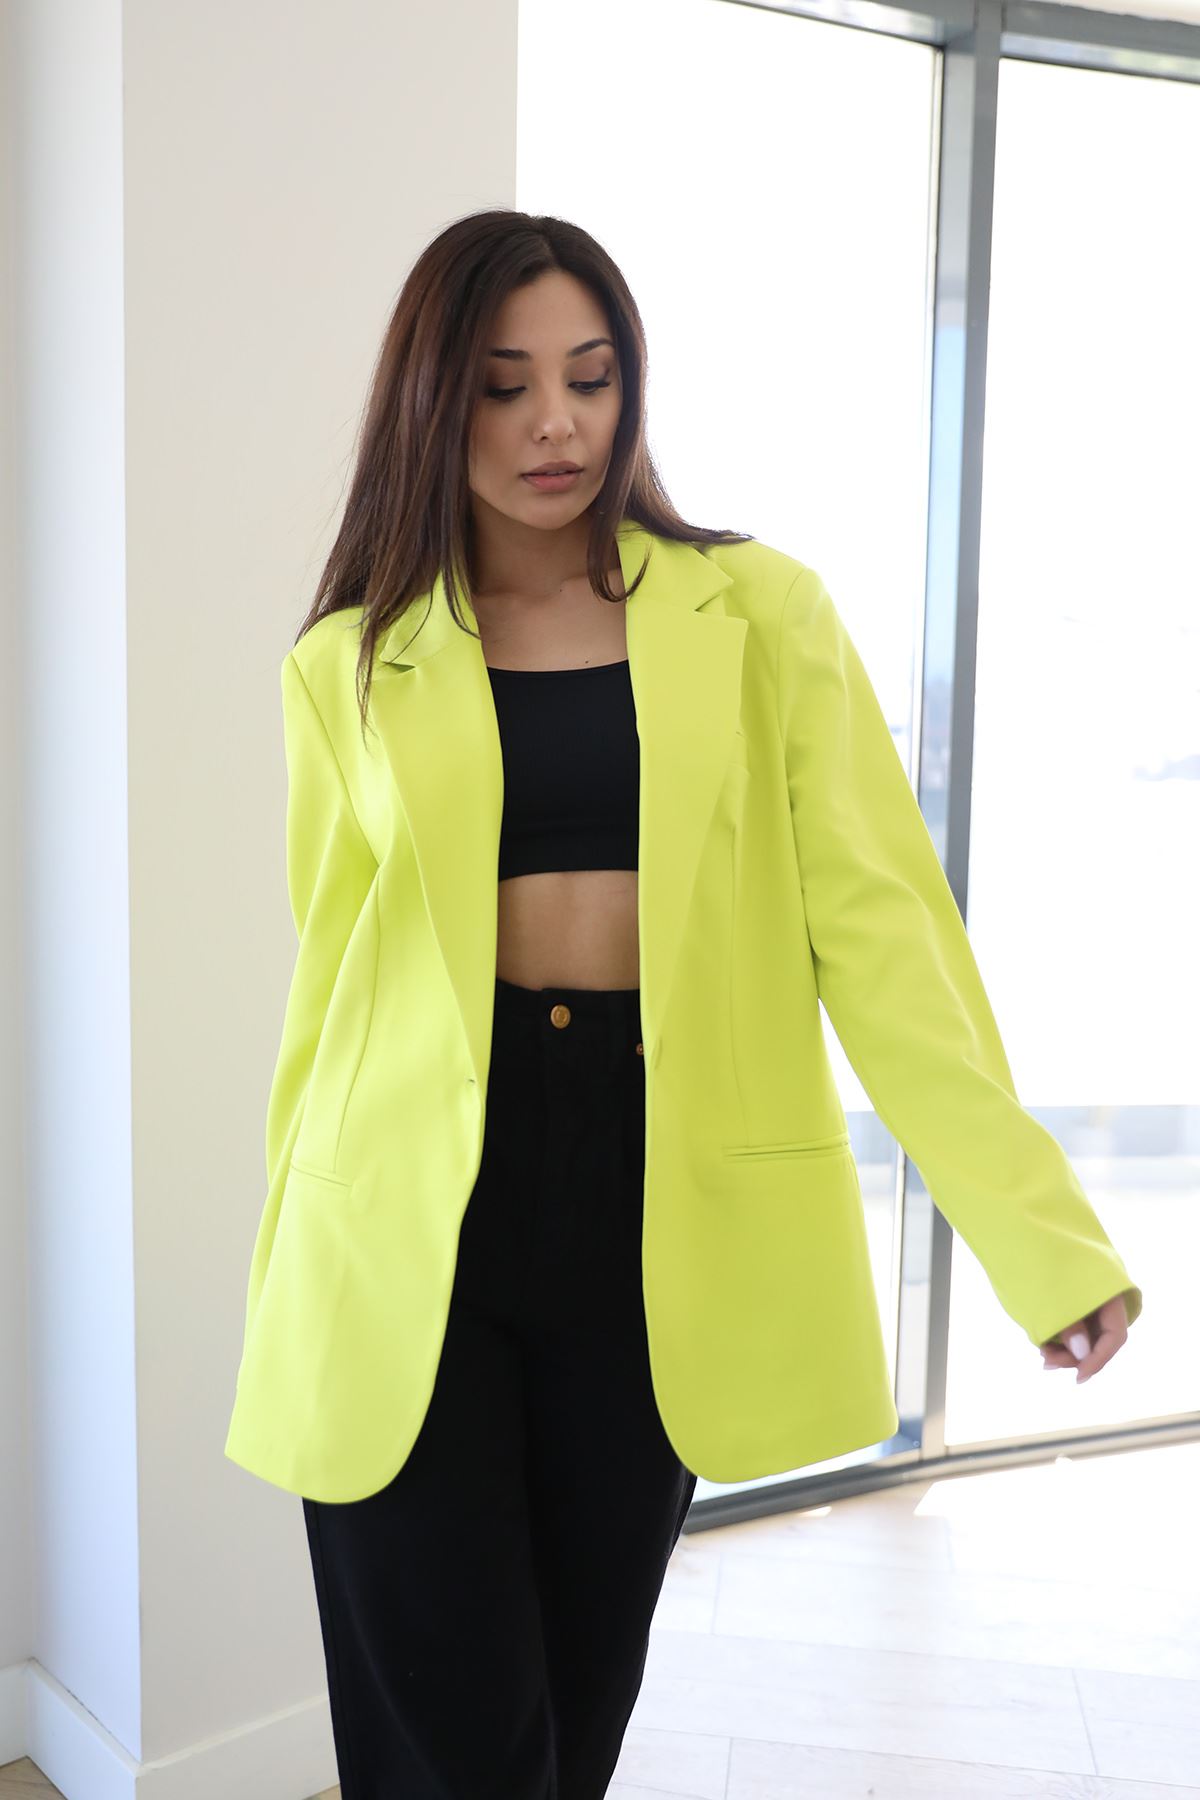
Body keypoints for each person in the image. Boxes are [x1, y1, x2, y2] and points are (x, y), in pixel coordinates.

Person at [224, 209, 1142, 1799]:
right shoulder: (351, 661)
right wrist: (287, 1269)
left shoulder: (760, 615)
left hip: (656, 1203)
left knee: (574, 1717)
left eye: (590, 378)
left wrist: (1039, 1237)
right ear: (433, 402)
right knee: (450, 1735)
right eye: (505, 385)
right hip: (403, 1221)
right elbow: (333, 984)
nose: (555, 423)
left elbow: (889, 940)